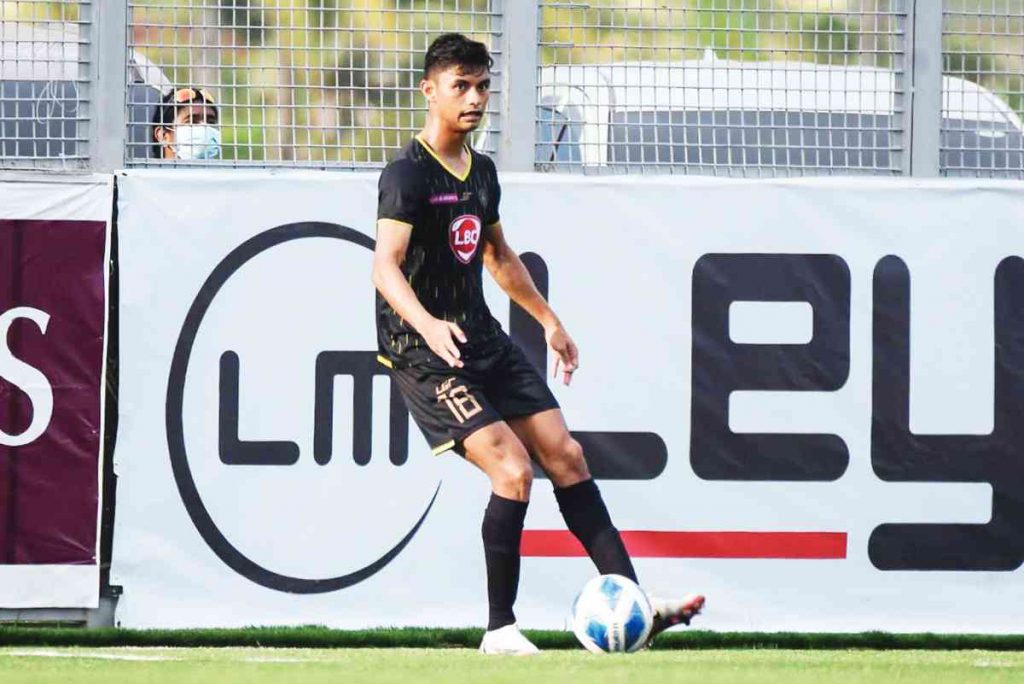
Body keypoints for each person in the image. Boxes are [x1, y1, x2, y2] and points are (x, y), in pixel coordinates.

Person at [372, 33, 704, 655]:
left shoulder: (482, 171)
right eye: (460, 86)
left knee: (567, 457)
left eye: (482, 87)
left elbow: (496, 253)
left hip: (482, 339)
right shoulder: (406, 176)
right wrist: (426, 324)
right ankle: (500, 629)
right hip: (423, 350)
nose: (474, 99)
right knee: (512, 469)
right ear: (429, 90)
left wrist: (549, 320)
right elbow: (385, 268)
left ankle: (634, 602)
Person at [151, 86, 221, 160]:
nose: (204, 127)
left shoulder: (228, 171)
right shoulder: (143, 171)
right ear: (163, 135)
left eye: (211, 122)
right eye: (192, 122)